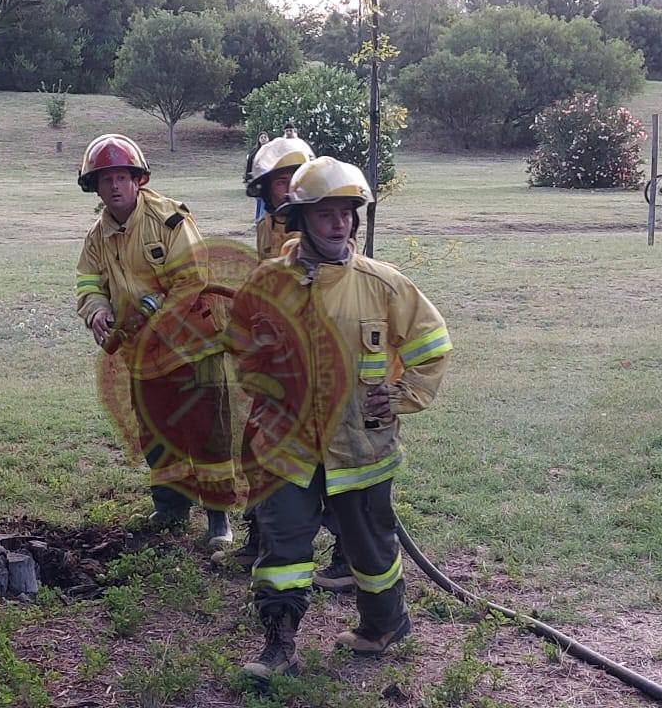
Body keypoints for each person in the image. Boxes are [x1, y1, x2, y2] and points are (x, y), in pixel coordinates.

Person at [226, 157, 453, 679]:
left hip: (360, 448)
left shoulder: (384, 285)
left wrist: (402, 395)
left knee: (369, 551)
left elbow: (432, 345)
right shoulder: (266, 283)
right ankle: (277, 646)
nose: (339, 224)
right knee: (283, 548)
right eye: (326, 214)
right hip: (286, 446)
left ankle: (384, 624)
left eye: (347, 213)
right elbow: (240, 347)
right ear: (300, 221)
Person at [74, 134, 237, 546]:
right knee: (157, 433)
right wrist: (97, 311)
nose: (114, 186)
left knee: (207, 431)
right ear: (94, 186)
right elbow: (88, 282)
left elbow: (192, 278)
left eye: (121, 177)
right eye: (105, 179)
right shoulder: (97, 237)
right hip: (142, 357)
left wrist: (154, 324)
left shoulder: (168, 220)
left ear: (138, 179)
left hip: (193, 347)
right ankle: (170, 508)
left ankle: (219, 518)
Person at [212, 130, 356, 592]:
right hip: (278, 366)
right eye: (280, 181)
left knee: (329, 461)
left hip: (323, 368)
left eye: (297, 176)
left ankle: (348, 554)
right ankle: (261, 536)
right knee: (258, 450)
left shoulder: (327, 225)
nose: (290, 186)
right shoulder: (267, 227)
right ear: (265, 190)